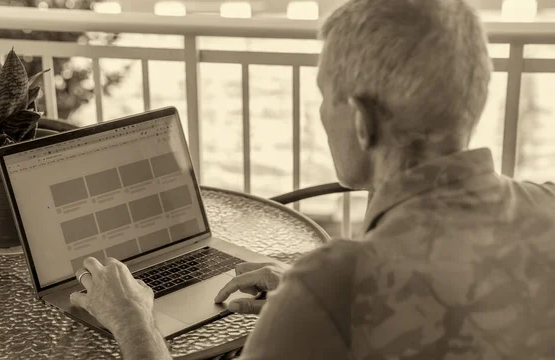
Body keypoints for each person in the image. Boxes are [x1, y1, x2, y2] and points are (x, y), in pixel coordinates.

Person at [69, 0, 555, 358]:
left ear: (362, 123)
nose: (320, 113)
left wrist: (134, 323)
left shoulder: (334, 285)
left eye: (325, 95)